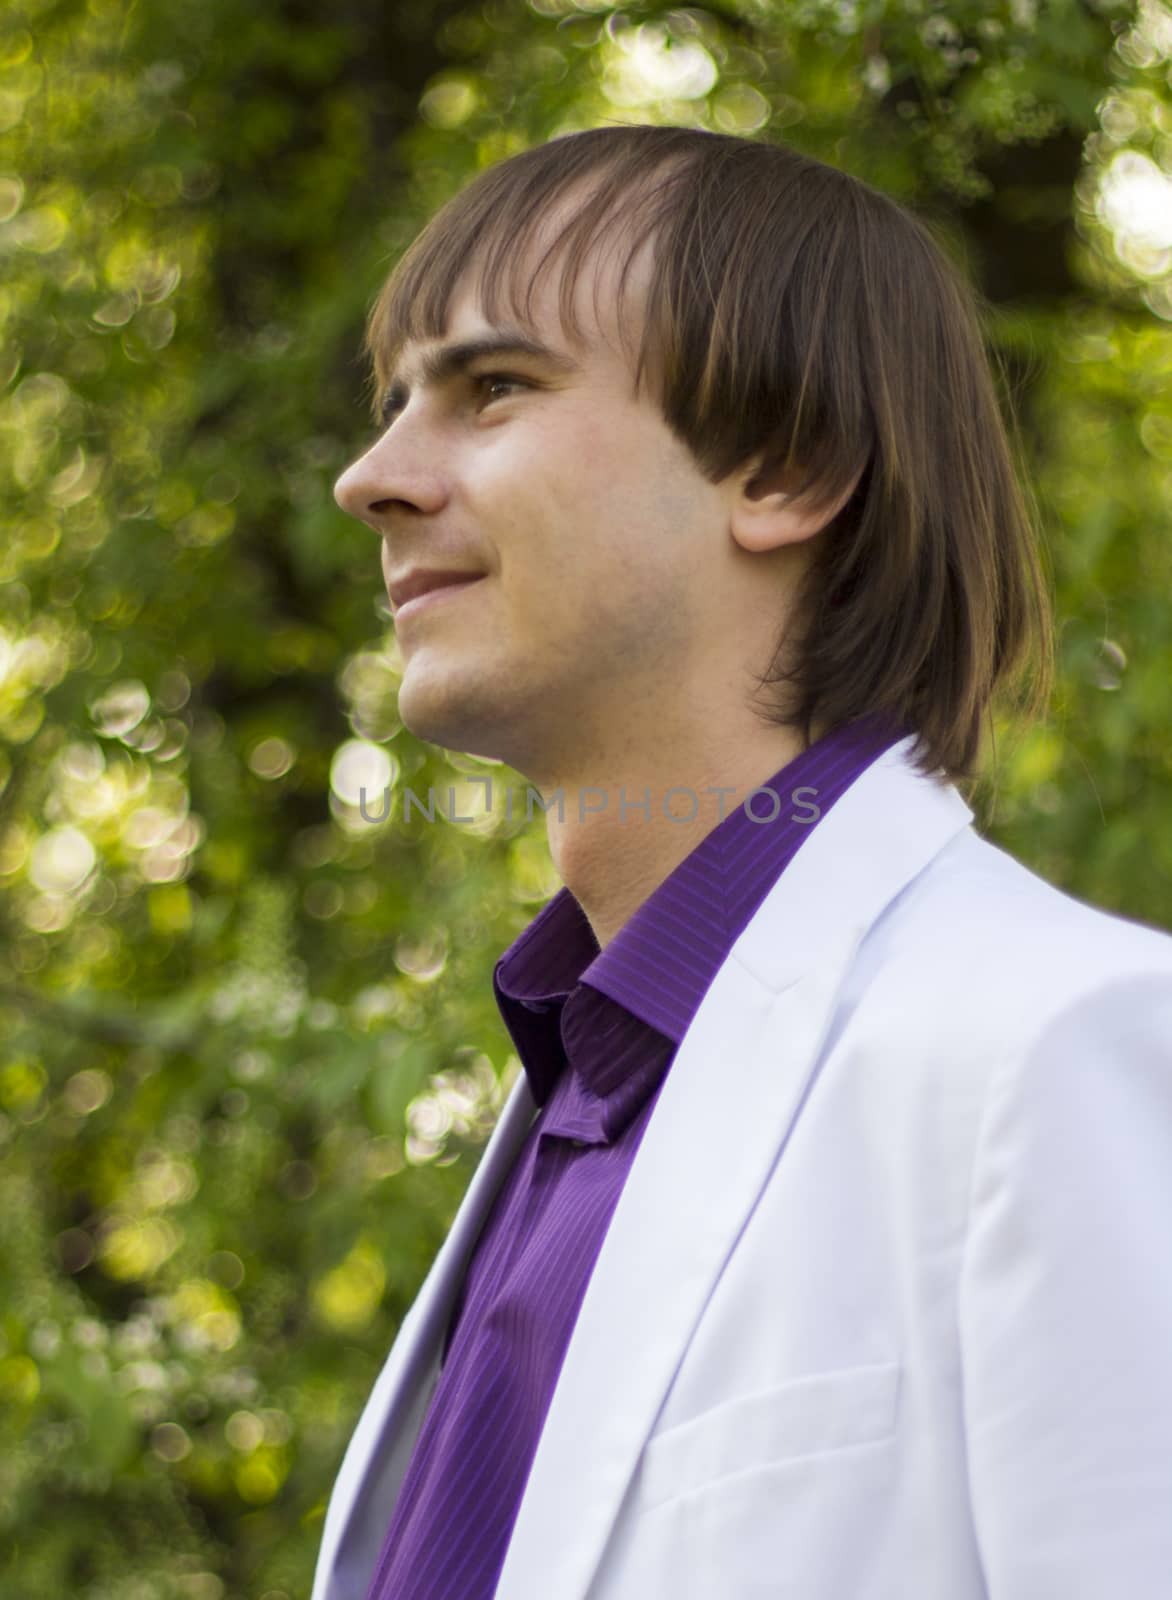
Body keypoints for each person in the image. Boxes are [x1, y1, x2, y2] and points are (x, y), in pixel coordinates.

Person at [314, 125, 1172, 1600]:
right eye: (397, 402)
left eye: (494, 388)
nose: (371, 478)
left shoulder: (1065, 1043)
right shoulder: (571, 1095)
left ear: (786, 465)